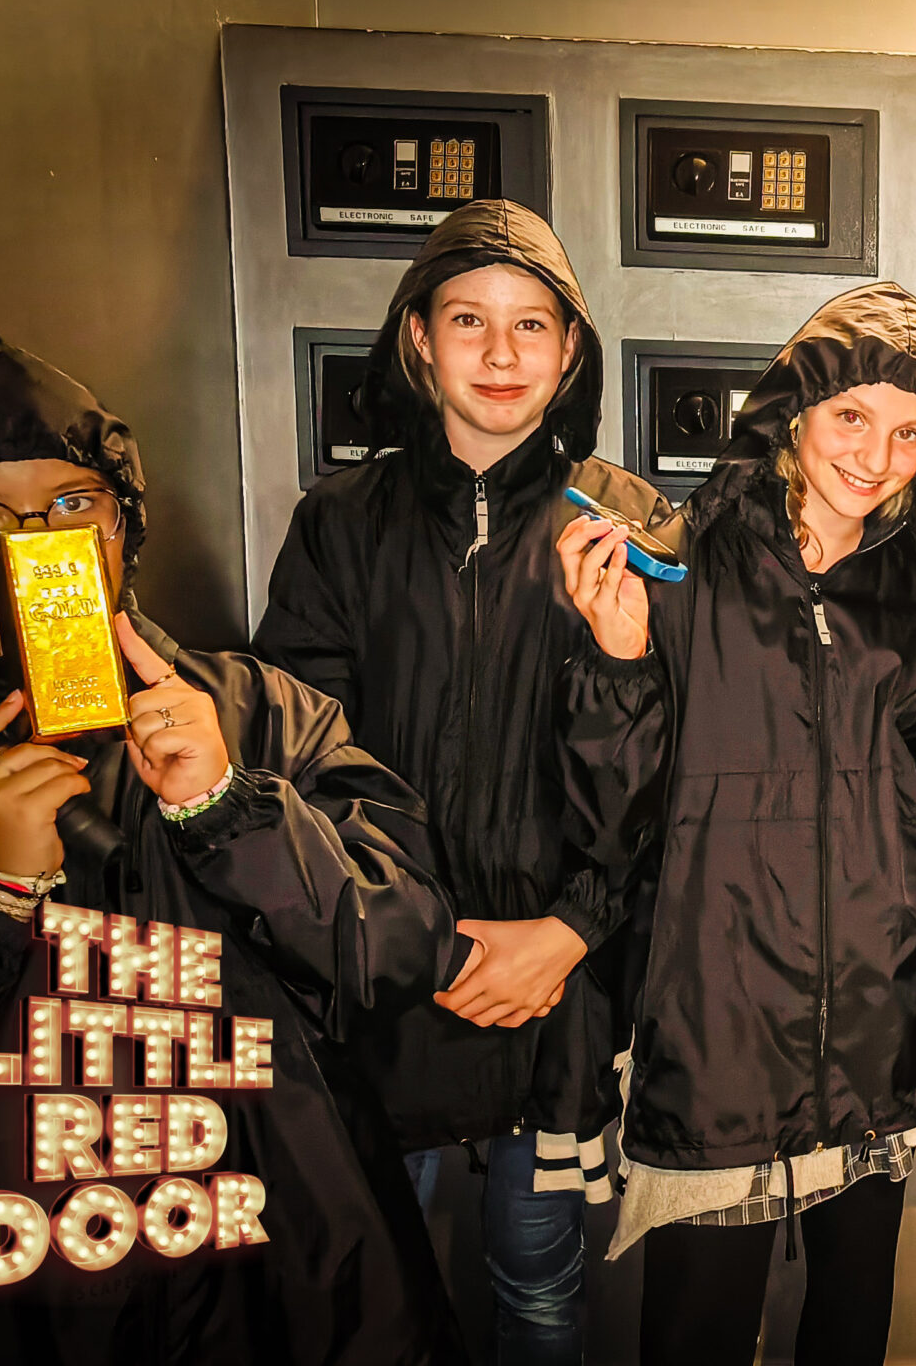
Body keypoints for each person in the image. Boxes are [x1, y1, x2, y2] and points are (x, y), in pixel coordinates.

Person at [0, 317, 470, 1364]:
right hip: (9, 1300)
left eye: (73, 505)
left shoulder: (257, 709)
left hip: (285, 1277)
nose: (33, 546)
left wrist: (232, 810)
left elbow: (404, 944)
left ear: (122, 526)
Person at [253, 199, 667, 1366]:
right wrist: (419, 944)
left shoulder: (627, 521)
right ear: (417, 340)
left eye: (531, 324)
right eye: (468, 320)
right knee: (376, 1295)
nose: (499, 353)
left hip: (555, 997)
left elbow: (668, 776)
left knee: (539, 1290)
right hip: (385, 986)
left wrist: (568, 933)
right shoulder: (341, 523)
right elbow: (297, 759)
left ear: (569, 350)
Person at [557, 282, 916, 1366]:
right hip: (720, 1039)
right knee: (694, 1332)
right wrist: (617, 663)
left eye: (908, 434)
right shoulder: (681, 573)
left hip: (880, 1039)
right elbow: (609, 817)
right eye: (853, 417)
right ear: (794, 414)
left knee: (852, 1327)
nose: (876, 457)